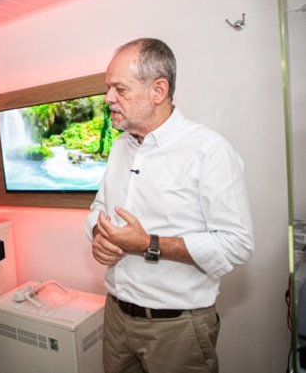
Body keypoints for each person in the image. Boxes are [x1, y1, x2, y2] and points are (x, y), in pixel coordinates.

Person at [85, 38, 254, 373]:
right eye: (108, 88)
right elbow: (99, 207)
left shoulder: (209, 151)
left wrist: (149, 244)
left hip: (177, 329)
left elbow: (237, 243)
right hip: (116, 317)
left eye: (120, 89)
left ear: (158, 90)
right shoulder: (119, 147)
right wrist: (99, 236)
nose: (108, 98)